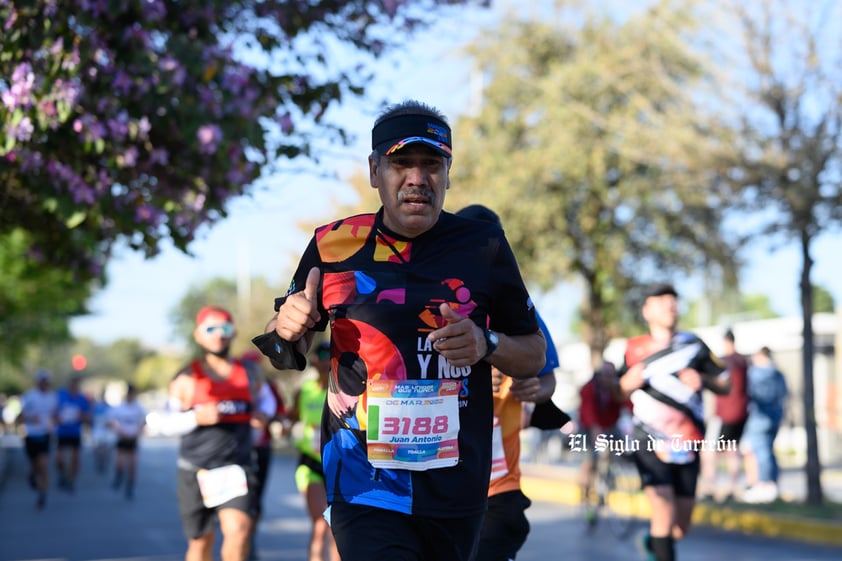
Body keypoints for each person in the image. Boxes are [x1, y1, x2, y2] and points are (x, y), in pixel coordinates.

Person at [253, 99, 547, 561]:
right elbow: (283, 342)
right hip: (362, 476)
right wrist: (286, 326)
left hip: (457, 482)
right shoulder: (332, 244)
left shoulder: (483, 246)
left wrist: (485, 342)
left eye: (431, 164)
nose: (417, 178)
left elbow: (533, 352)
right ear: (374, 171)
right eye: (400, 163)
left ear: (448, 173)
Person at [454, 203, 563, 561]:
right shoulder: (434, 300)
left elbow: (546, 379)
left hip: (498, 484)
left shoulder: (517, 307)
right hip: (439, 482)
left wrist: (536, 388)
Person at [617, 283, 731, 561]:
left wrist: (704, 380)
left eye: (673, 302)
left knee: (681, 526)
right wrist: (626, 384)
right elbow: (618, 391)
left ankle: (653, 543)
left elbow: (725, 384)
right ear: (647, 310)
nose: (670, 307)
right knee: (663, 509)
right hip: (648, 439)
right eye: (662, 302)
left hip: (688, 441)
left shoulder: (694, 345)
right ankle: (660, 545)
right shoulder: (633, 348)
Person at [161, 305, 265, 561]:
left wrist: (263, 417)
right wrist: (194, 417)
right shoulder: (185, 378)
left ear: (233, 333)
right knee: (200, 544)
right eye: (211, 329)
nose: (218, 335)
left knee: (239, 530)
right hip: (195, 470)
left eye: (225, 328)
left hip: (235, 468)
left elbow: (266, 404)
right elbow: (162, 423)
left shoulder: (250, 374)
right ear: (198, 334)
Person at [288, 341, 340, 561]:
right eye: (322, 358)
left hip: (338, 463)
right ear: (314, 361)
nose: (326, 362)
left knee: (336, 528)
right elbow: (293, 417)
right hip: (311, 462)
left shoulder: (344, 390)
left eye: (330, 357)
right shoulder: (304, 391)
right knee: (321, 523)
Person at [240, 350, 285, 560]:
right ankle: (242, 538)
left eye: (254, 367)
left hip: (262, 448)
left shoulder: (269, 388)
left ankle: (250, 537)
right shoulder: (234, 386)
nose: (251, 372)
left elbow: (279, 411)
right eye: (247, 368)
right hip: (239, 450)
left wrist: (272, 419)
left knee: (257, 499)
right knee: (242, 498)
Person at [577, 360, 632, 523]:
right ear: (599, 376)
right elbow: (588, 413)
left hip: (610, 426)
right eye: (606, 375)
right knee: (589, 463)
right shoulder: (589, 389)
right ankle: (586, 498)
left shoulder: (616, 388)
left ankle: (608, 479)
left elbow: (628, 405)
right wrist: (596, 433)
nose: (609, 378)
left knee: (617, 451)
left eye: (612, 375)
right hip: (589, 427)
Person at [698, 329, 748, 503]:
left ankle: (709, 488)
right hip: (741, 413)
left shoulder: (723, 362)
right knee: (732, 451)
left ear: (725, 341)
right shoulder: (743, 361)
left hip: (724, 414)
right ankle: (732, 488)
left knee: (708, 451)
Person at [741, 346, 788, 504]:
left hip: (758, 417)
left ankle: (764, 485)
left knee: (761, 452)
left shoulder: (754, 373)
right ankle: (772, 484)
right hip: (775, 417)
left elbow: (748, 394)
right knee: (768, 451)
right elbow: (784, 394)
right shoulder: (778, 374)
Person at [17, 369, 58, 510]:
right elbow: (19, 417)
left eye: (47, 380)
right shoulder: (29, 397)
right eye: (43, 380)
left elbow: (55, 415)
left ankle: (42, 496)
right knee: (35, 465)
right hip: (30, 435)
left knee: (44, 466)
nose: (45, 383)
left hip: (45, 435)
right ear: (38, 381)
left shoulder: (52, 397)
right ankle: (31, 475)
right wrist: (29, 418)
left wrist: (55, 423)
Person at [54, 373, 92, 493]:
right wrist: (57, 419)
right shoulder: (60, 396)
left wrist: (82, 416)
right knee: (60, 459)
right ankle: (62, 475)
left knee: (75, 459)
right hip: (62, 432)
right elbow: (53, 412)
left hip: (75, 433)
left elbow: (88, 417)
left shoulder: (82, 399)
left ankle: (71, 481)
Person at [108, 383, 147, 500]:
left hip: (133, 439)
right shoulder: (120, 408)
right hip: (122, 438)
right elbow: (111, 421)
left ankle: (130, 487)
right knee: (120, 462)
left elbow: (143, 421)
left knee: (133, 465)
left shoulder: (138, 407)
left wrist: (139, 431)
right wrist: (119, 430)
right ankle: (119, 476)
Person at [91, 389, 115, 474]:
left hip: (106, 432)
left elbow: (112, 420)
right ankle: (100, 461)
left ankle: (104, 463)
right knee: (98, 449)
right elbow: (91, 417)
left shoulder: (110, 407)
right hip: (97, 431)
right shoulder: (96, 406)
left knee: (106, 449)